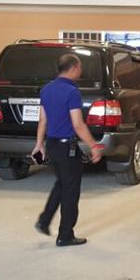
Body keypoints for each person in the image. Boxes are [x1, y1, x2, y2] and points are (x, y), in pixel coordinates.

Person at [32, 53, 103, 247]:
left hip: (52, 145)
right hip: (67, 148)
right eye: (80, 68)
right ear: (73, 68)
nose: (81, 71)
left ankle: (44, 220)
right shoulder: (72, 92)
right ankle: (65, 235)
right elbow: (78, 124)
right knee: (70, 191)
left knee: (62, 184)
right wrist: (94, 146)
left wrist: (39, 144)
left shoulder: (46, 89)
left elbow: (43, 120)